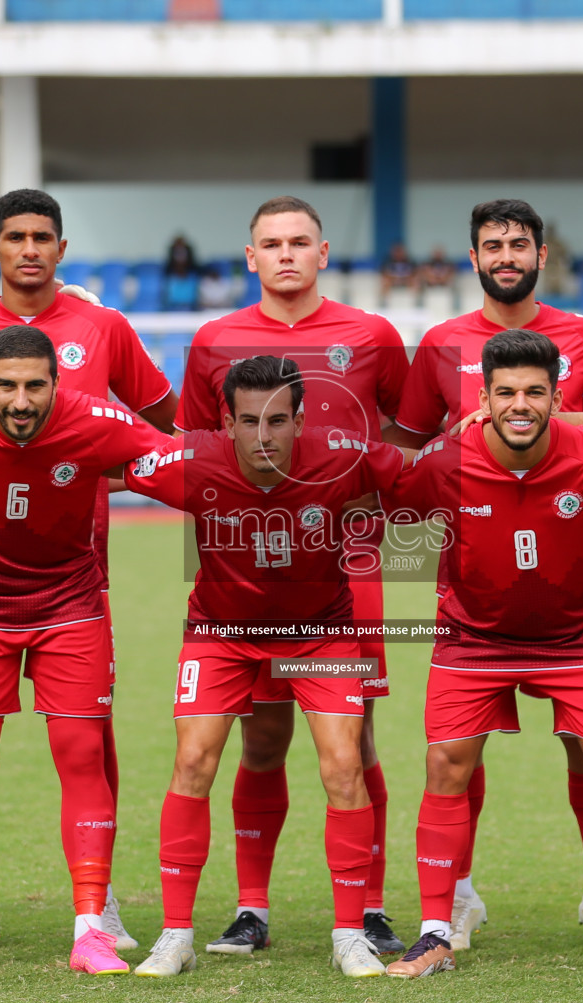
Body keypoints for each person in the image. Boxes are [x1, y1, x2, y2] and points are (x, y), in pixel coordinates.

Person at [0, 188, 177, 952]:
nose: (28, 249)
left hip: (80, 572)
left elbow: (163, 430)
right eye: (13, 236)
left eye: (42, 236)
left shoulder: (103, 326)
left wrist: (87, 474)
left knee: (89, 741)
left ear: (61, 247)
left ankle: (99, 903)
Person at [384, 330, 583, 979]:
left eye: (536, 393)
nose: (522, 405)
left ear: (557, 398)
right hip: (473, 636)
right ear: (483, 398)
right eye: (507, 392)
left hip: (578, 637)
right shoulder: (444, 462)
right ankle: (435, 930)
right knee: (446, 767)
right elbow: (390, 508)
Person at [173, 196, 410, 956]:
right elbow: (196, 448)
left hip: (358, 557)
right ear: (250, 257)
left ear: (323, 252)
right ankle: (251, 908)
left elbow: (402, 440)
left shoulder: (372, 335)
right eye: (270, 243)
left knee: (355, 739)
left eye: (298, 242)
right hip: (245, 555)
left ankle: (368, 906)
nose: (285, 254)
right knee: (262, 735)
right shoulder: (214, 339)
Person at [127, 356, 409, 979]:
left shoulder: (342, 455)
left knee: (343, 765)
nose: (263, 437)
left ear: (300, 421)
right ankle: (176, 935)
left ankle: (349, 934)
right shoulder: (192, 459)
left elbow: (425, 474)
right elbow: (109, 454)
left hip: (321, 634)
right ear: (225, 421)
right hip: (220, 634)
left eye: (278, 421)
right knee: (194, 761)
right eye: (249, 421)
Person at [384, 198, 583, 951]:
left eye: (518, 243)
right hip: (469, 589)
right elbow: (409, 455)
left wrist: (556, 424)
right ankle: (459, 896)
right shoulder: (441, 343)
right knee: (456, 749)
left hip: (568, 591)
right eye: (492, 244)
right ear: (472, 257)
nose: (505, 255)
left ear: (542, 254)